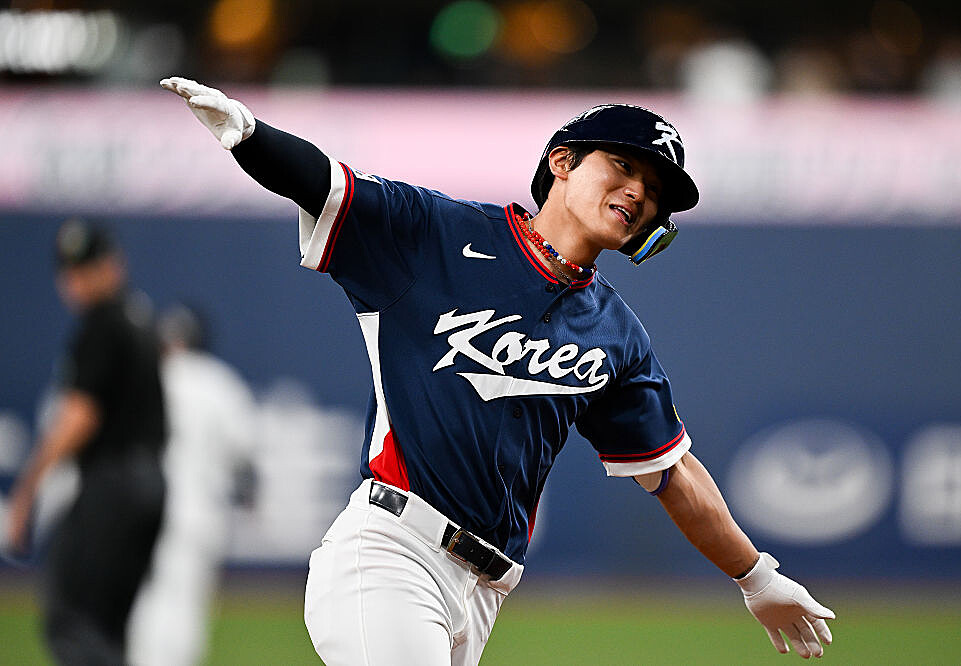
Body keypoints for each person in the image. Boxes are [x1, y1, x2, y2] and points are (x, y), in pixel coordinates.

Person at [160, 77, 835, 664]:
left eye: (655, 190)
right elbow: (326, 182)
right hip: (391, 551)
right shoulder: (438, 235)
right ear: (562, 161)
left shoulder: (615, 334)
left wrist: (756, 577)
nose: (638, 192)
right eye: (624, 166)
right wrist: (248, 133)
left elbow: (673, 473)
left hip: (484, 592)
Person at [4, 218, 166, 665]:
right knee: (107, 628)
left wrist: (27, 489)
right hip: (148, 484)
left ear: (113, 264)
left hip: (114, 484)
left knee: (72, 622)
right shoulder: (138, 318)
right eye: (71, 270)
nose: (77, 280)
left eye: (87, 267)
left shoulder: (103, 323)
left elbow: (80, 415)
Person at [127, 305, 257, 666]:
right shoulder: (219, 382)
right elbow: (245, 456)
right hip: (198, 510)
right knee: (186, 603)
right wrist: (248, 497)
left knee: (143, 600)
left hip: (141, 504)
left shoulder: (142, 377)